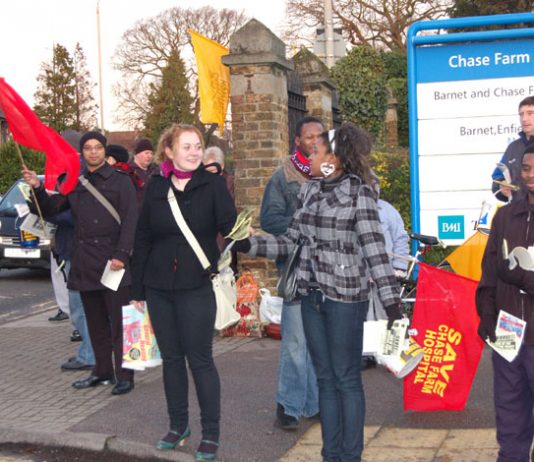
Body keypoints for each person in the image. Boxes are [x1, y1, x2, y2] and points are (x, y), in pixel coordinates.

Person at [234, 122, 403, 462]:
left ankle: (350, 455)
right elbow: (291, 242)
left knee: (346, 379)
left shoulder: (360, 194)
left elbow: (375, 252)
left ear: (335, 158)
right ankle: (331, 454)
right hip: (310, 296)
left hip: (345, 298)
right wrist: (248, 243)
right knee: (326, 379)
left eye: (318, 149)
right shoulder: (311, 191)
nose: (311, 153)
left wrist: (393, 307)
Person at [130, 124, 237, 461]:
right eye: (186, 146)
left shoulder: (213, 184)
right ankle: (178, 425)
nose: (193, 152)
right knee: (172, 360)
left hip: (195, 285)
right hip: (158, 286)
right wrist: (137, 289)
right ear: (169, 151)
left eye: (197, 146)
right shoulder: (156, 185)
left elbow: (230, 228)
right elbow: (143, 236)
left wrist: (242, 232)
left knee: (200, 360)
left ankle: (211, 433)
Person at [22, 131, 138, 396]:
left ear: (105, 152)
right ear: (83, 152)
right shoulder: (75, 181)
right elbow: (51, 208)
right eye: (88, 148)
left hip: (113, 261)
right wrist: (37, 188)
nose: (93, 152)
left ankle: (125, 376)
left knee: (120, 322)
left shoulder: (121, 182)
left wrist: (121, 254)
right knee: (94, 321)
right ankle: (102, 371)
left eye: (98, 148)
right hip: (86, 260)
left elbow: (132, 220)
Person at [259, 116, 323, 430]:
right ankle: (288, 405)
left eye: (319, 136)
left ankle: (313, 404)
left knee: (318, 341)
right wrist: (302, 227)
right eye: (308, 137)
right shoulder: (283, 177)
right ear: (297, 141)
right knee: (296, 341)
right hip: (296, 268)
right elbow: (269, 220)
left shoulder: (332, 172)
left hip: (327, 272)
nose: (314, 141)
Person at [477, 143, 534, 462]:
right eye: (526, 169)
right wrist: (487, 316)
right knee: (510, 424)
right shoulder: (505, 217)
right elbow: (489, 272)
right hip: (508, 336)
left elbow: (514, 275)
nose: (530, 176)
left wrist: (523, 278)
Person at [363, 189, 410, 369]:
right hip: (361, 273)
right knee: (365, 315)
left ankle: (392, 353)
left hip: (386, 270)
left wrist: (399, 266)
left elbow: (400, 238)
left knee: (388, 313)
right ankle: (367, 354)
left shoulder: (387, 210)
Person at [491, 96, 534, 201]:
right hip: (518, 213)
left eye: (530, 113)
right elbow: (497, 179)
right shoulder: (513, 148)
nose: (524, 119)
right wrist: (502, 187)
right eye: (521, 114)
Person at [128, 138, 159, 207]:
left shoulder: (157, 171)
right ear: (137, 154)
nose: (149, 156)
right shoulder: (128, 172)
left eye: (151, 153)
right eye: (146, 153)